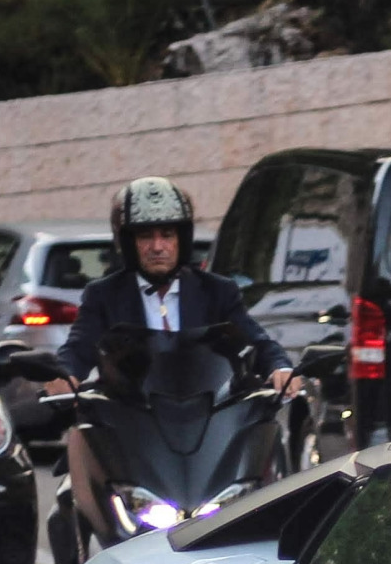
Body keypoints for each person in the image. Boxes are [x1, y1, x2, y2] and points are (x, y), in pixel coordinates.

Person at [46, 178, 298, 538]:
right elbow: (79, 347)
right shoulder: (103, 295)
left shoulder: (218, 291)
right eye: (146, 237)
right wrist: (64, 374)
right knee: (75, 502)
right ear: (128, 243)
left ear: (183, 238)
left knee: (267, 503)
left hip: (207, 426)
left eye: (167, 235)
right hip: (136, 429)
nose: (158, 246)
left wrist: (280, 368)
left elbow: (255, 341)